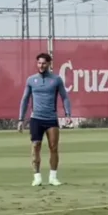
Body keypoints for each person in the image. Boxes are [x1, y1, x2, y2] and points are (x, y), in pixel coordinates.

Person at [17, 52, 71, 186]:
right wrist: (20, 119)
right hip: (36, 118)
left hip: (51, 118)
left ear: (49, 64)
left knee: (53, 147)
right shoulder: (31, 80)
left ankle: (53, 177)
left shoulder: (56, 80)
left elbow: (64, 97)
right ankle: (37, 177)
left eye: (44, 63)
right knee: (35, 146)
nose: (41, 66)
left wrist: (68, 114)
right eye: (39, 63)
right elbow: (25, 99)